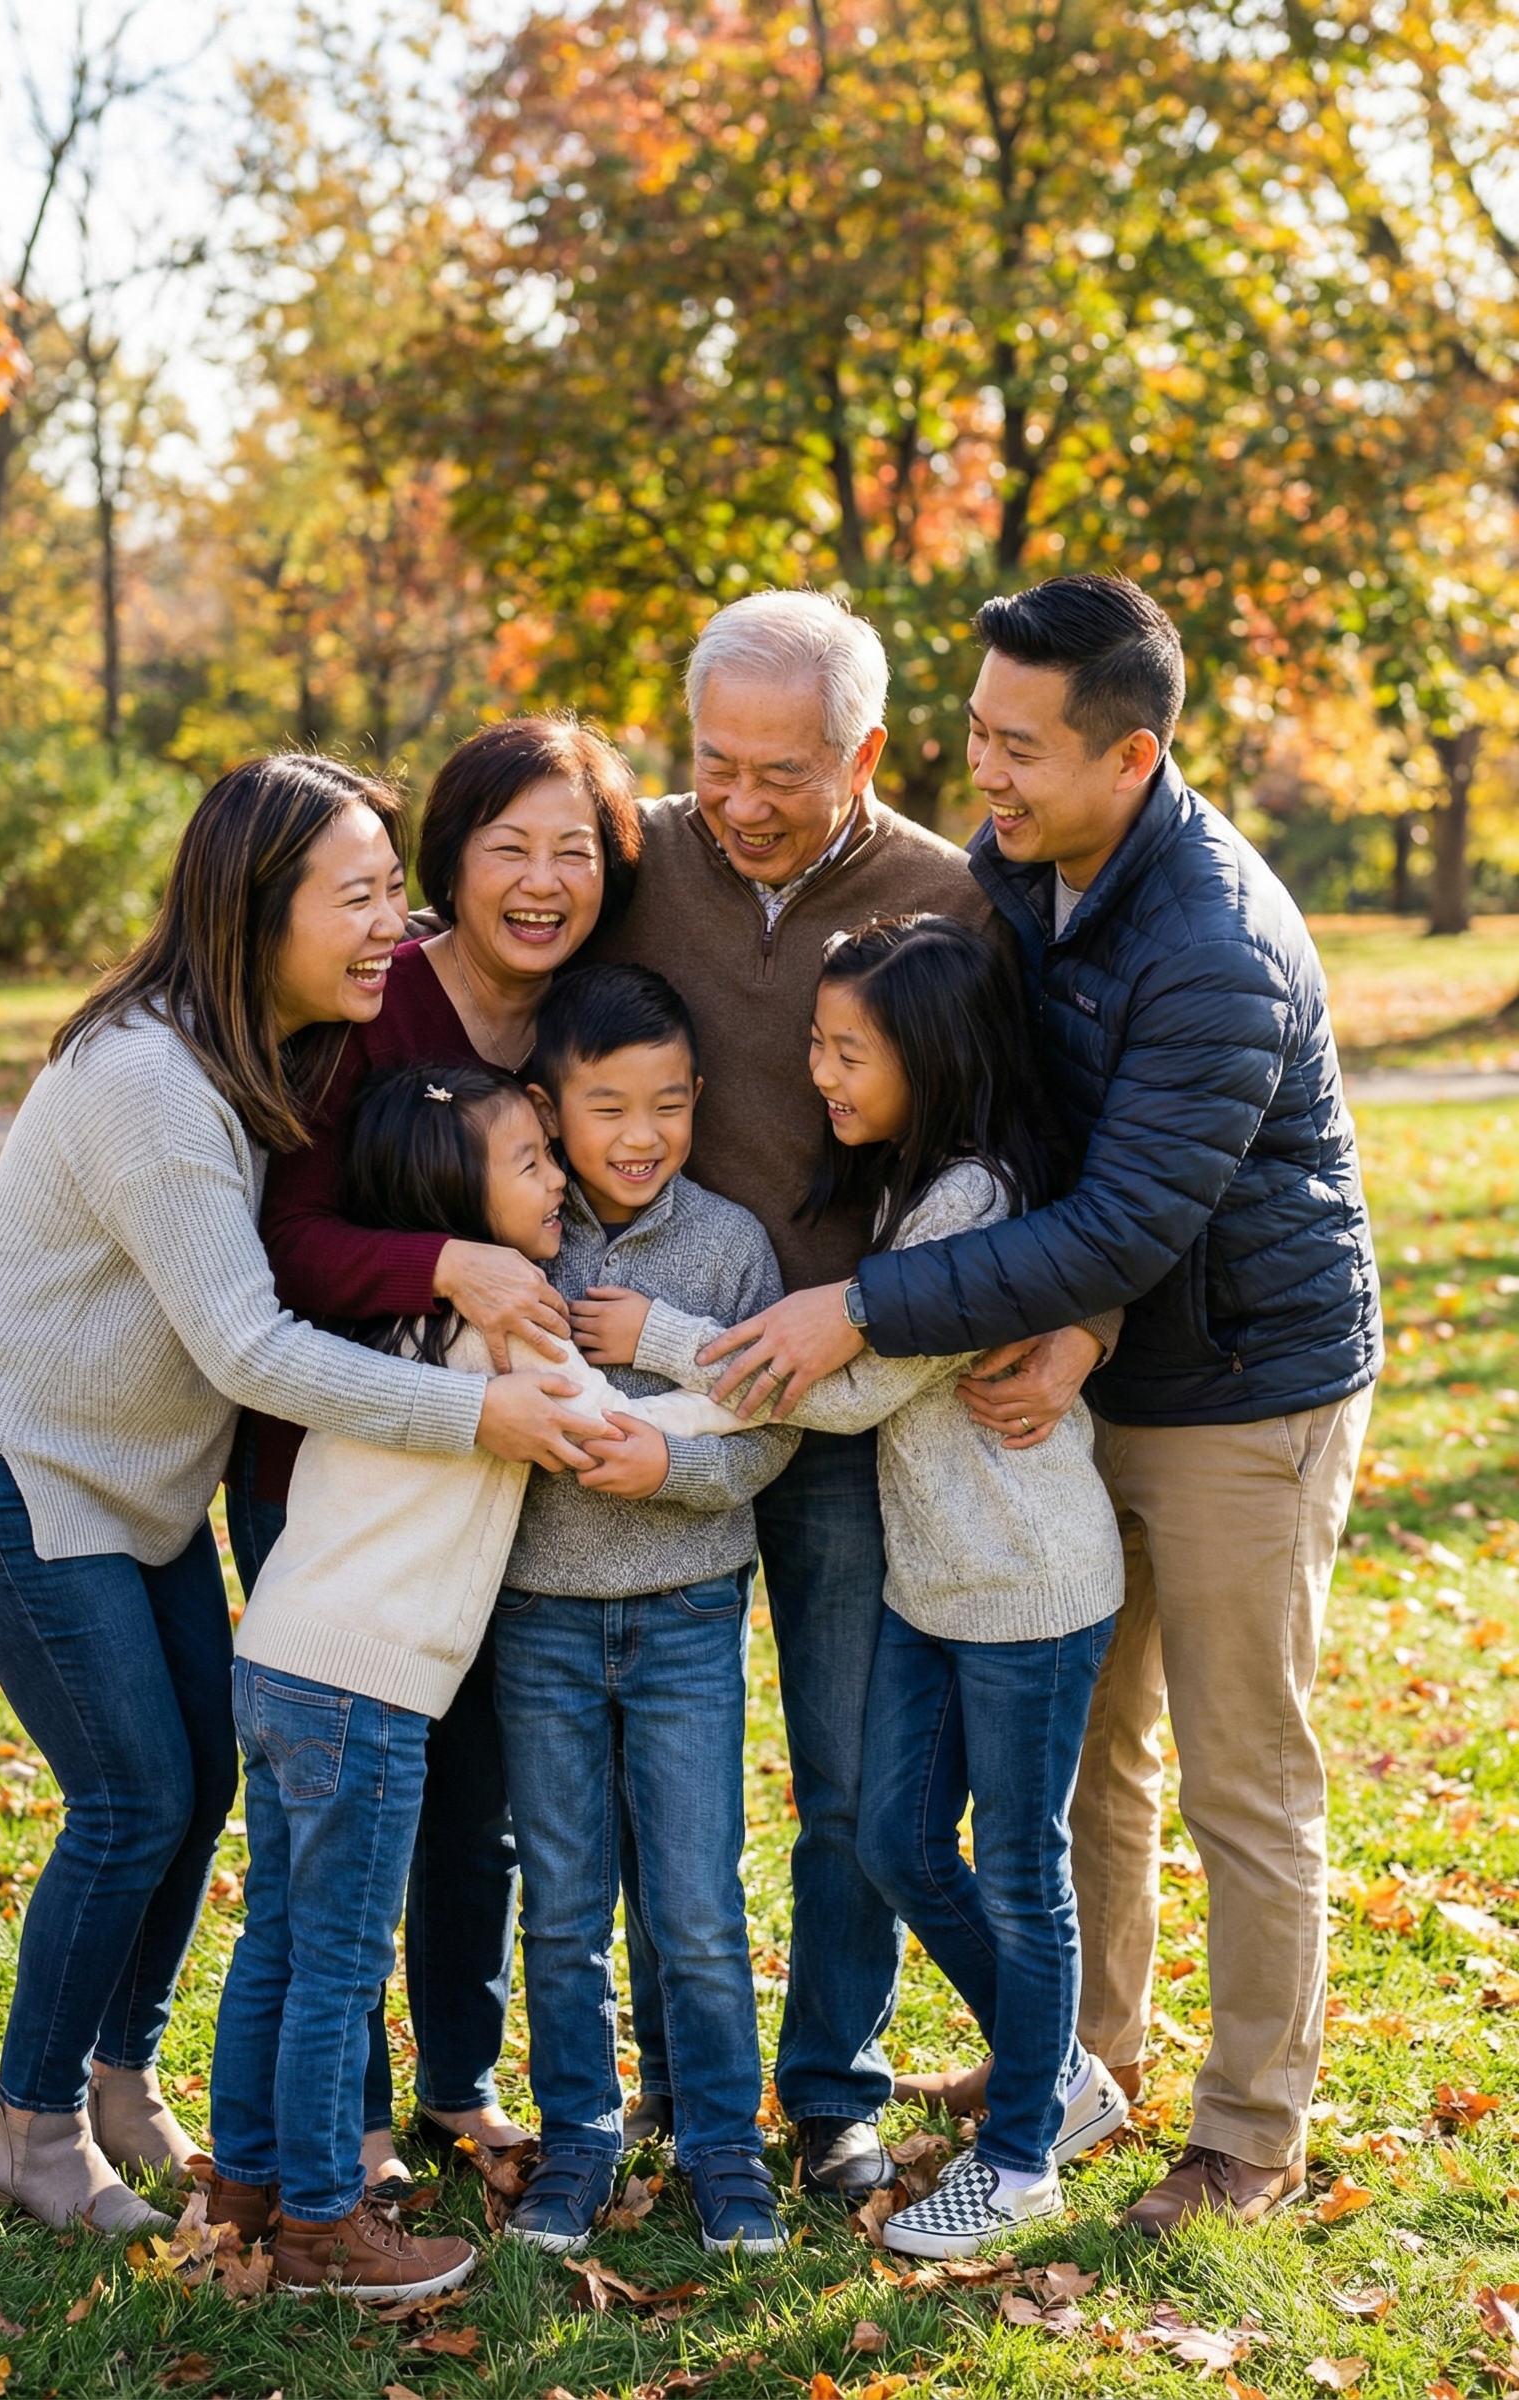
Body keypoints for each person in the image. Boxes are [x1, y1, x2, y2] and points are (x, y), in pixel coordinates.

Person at [690, 575, 1382, 2235]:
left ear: (1127, 754)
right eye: (976, 734)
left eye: (1014, 747)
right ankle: (1083, 2058)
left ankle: (1243, 2136)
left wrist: (859, 1300)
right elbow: (1051, 1142)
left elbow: (1132, 1214)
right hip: (1092, 1370)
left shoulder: (1209, 939)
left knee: (1241, 1771)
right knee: (1096, 1763)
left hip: (1242, 1392)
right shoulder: (1028, 869)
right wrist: (1072, 1330)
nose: (978, 779)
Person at [0, 757, 600, 2237]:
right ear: (255, 909)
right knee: (134, 1793)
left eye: (393, 891)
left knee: (198, 1781)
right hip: (19, 1472)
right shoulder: (151, 1079)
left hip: (131, 1485)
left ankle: (118, 2081)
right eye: (358, 897)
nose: (392, 927)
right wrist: (484, 1414)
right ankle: (30, 2127)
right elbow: (252, 1347)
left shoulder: (257, 1054)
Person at [580, 919, 1129, 2255]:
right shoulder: (909, 1181)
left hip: (1028, 1590)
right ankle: (1060, 2069)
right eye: (817, 1044)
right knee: (891, 1837)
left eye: (846, 1051)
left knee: (1018, 1867)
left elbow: (852, 1388)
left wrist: (653, 1337)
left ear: (929, 1056)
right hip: (938, 1586)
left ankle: (1020, 2159)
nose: (820, 1074)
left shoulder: (972, 1206)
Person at [585, 589, 1034, 2198]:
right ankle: (674, 2077)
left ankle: (829, 2089)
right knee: (649, 1758)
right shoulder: (628, 858)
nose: (747, 802)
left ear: (865, 750)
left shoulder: (955, 899)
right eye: (719, 763)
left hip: (857, 1406)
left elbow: (1041, 1147)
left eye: (787, 770)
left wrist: (1085, 1326)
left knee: (853, 1773)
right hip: (661, 1387)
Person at [205, 1060, 752, 2297]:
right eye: (531, 1164)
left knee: (281, 1943)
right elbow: (619, 1426)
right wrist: (737, 1381)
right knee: (338, 1967)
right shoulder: (508, 1325)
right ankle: (319, 2223)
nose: (558, 1178)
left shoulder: (376, 1323)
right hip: (370, 1688)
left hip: (283, 1656)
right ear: (460, 1198)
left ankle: (245, 2180)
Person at [230, 718, 641, 2189]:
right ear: (447, 863)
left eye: (575, 853)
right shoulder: (367, 1003)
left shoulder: (595, 1017)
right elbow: (286, 1244)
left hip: (507, 1472)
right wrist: (451, 1266)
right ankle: (332, 2126)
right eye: (508, 847)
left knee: (474, 1809)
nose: (542, 882)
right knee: (341, 1837)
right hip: (333, 1472)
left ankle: (460, 2085)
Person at [488, 966, 798, 2256]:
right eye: (605, 1104)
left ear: (698, 1102)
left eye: (666, 1104)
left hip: (683, 1615)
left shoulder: (728, 1247)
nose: (638, 1134)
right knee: (561, 1901)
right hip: (538, 1619)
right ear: (550, 1110)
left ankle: (722, 2145)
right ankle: (577, 2141)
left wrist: (675, 1469)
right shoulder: (517, 1239)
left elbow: (768, 1428)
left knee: (694, 1900)